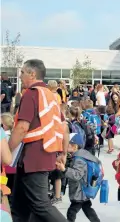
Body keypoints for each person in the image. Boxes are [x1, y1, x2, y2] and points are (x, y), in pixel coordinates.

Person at [8, 59, 69, 222]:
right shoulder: (51, 96)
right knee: (19, 207)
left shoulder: (31, 94)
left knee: (40, 205)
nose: (20, 76)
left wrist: (6, 151)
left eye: (22, 72)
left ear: (32, 74)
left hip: (33, 157)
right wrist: (63, 152)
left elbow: (21, 128)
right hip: (40, 156)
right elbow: (63, 127)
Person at [55, 133, 101, 222]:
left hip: (79, 191)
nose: (64, 146)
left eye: (66, 144)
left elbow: (77, 175)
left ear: (74, 146)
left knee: (71, 212)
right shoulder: (83, 154)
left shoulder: (79, 159)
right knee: (87, 209)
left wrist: (64, 169)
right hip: (83, 190)